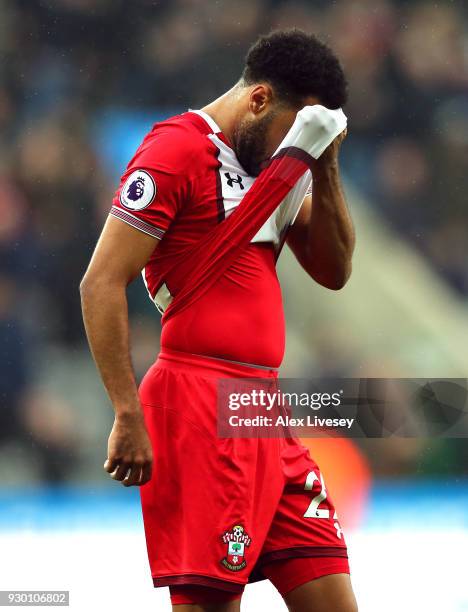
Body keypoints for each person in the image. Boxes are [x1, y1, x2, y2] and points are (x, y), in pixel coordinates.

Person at [80, 29, 357, 612]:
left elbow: (334, 271)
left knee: (333, 595)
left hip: (263, 412)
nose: (295, 146)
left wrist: (323, 164)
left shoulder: (277, 166)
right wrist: (127, 412)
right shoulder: (176, 150)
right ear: (258, 100)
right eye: (294, 129)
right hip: (199, 404)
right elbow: (101, 282)